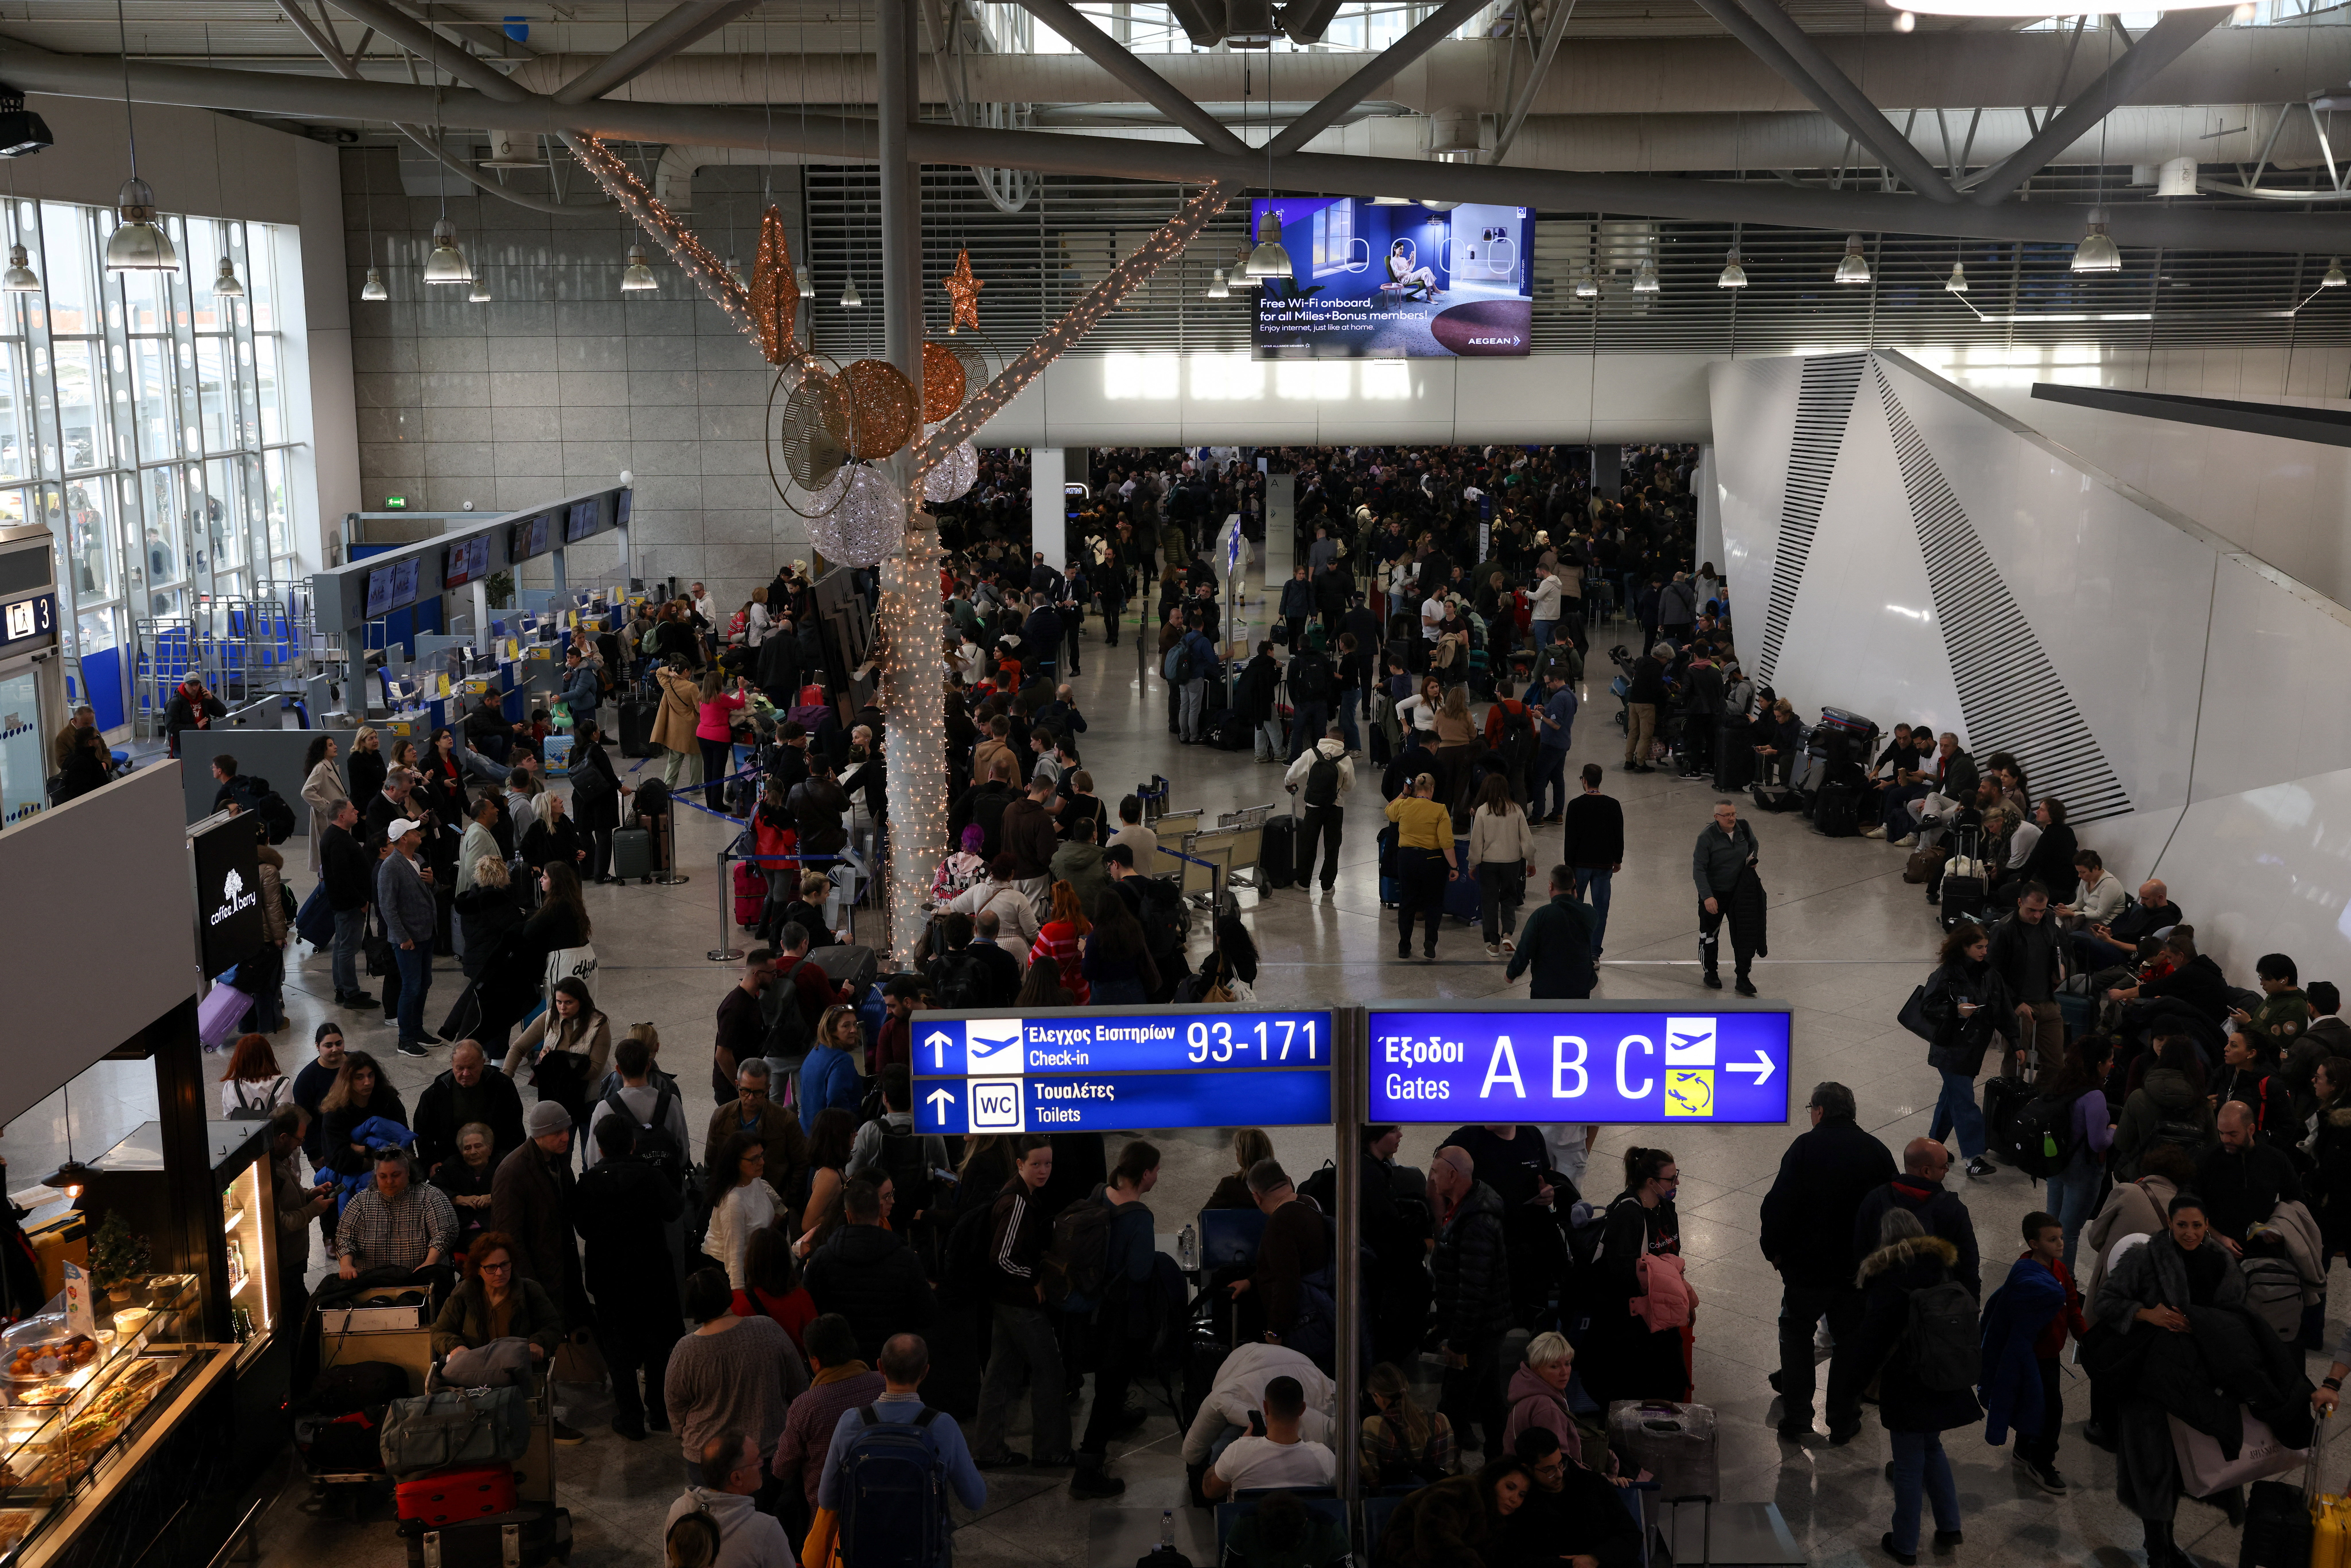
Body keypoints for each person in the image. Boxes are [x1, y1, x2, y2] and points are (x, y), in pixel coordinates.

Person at [1758, 1082, 1896, 1443]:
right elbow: (1892, 1214)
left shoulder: (1805, 1146)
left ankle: (1798, 1417)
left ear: (1819, 1111)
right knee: (1849, 1343)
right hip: (1857, 1271)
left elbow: (1778, 1205)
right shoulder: (1877, 1151)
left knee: (1796, 1334)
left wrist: (1773, 1249)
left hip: (1807, 1269)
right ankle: (1843, 1419)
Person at [1847, 1210, 1980, 1566]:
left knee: (1907, 1464)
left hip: (1907, 1381)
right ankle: (1950, 1525)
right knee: (1932, 1446)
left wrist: (1854, 1383)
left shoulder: (1888, 1279)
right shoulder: (1941, 1267)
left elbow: (1873, 1340)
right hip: (1941, 1372)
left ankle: (1904, 1543)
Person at [815, 1334, 987, 1559]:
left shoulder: (852, 1422)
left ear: (880, 1367)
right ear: (925, 1372)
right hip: (923, 1555)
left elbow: (827, 1500)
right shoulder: (942, 1426)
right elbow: (976, 1500)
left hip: (865, 1553)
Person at [577, 1115, 685, 1441]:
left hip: (610, 1279)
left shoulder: (589, 1182)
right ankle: (659, 1411)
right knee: (657, 1345)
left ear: (599, 1147)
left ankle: (631, 1418)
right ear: (634, 1144)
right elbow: (675, 1210)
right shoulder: (651, 1177)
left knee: (619, 1351)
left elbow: (583, 1228)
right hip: (652, 1275)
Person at [1065, 1139, 1161, 1499]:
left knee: (1109, 1382)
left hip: (1088, 1309)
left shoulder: (1097, 1192)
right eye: (1156, 1171)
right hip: (1116, 1319)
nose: (1157, 1178)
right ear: (1145, 1173)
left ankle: (1117, 1411)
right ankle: (1088, 1470)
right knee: (1109, 1385)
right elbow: (1139, 1272)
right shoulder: (1139, 1217)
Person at [972, 1136, 1070, 1467]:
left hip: (1003, 1300)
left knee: (999, 1374)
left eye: (1048, 1164)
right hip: (1018, 1302)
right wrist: (1033, 1280)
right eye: (1036, 1164)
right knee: (1050, 1371)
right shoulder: (1017, 1203)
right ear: (1020, 1164)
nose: (1044, 1171)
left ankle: (988, 1449)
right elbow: (1001, 1258)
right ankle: (1051, 1451)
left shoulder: (1018, 1193)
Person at [665, 1268, 805, 1487]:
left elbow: (675, 1406)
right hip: (766, 1452)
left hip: (706, 1459)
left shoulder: (686, 1350)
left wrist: (684, 1434)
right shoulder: (767, 1329)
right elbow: (799, 1387)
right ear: (728, 1293)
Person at [1979, 1211, 2086, 1498]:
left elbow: (2073, 1306)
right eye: (2052, 1239)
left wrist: (2083, 1337)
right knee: (2051, 1411)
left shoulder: (2060, 1270)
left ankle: (2024, 1450)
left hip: (2050, 1354)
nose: (2061, 1244)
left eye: (2061, 1237)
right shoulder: (2024, 1273)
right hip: (2031, 1357)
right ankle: (2041, 1464)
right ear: (2033, 1243)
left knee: (2034, 1403)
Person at [1580, 1147, 1687, 1405]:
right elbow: (1620, 1273)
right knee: (1638, 1393)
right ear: (1651, 1182)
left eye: (1677, 1176)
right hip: (1631, 1322)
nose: (1677, 1183)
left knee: (1673, 1385)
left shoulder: (1666, 1208)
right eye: (1671, 1179)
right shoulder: (1628, 1215)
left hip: (1660, 1310)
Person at [1919, 920, 2017, 1179]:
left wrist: (2016, 1042)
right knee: (1964, 1100)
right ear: (1964, 947)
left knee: (1950, 1098)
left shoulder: (1990, 975)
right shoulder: (1945, 975)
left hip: (1973, 1050)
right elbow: (1927, 1006)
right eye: (1979, 947)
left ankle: (1934, 1147)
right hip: (1949, 1049)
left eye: (1986, 946)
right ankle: (1973, 1157)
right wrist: (1955, 1010)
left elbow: (2005, 1011)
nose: (1984, 951)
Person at [1428, 1146, 1510, 1454]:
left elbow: (1473, 1289)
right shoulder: (1465, 1208)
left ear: (1452, 1174)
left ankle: (1444, 1467)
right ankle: (1496, 1458)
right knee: (1489, 1397)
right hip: (1481, 1325)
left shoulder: (1476, 1221)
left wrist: (1458, 1343)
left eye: (1435, 1171)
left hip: (1477, 1330)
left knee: (1451, 1402)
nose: (1432, 1177)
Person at [805, 1176, 938, 1362]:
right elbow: (927, 1315)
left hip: (840, 1362)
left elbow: (811, 1316)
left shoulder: (821, 1259)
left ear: (848, 1215)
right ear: (879, 1212)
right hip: (893, 1362)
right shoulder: (905, 1259)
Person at [492, 1101, 588, 1361]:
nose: (566, 1137)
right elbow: (508, 1238)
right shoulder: (513, 1172)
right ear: (539, 1134)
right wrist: (530, 1286)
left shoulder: (557, 1162)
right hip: (537, 1274)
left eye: (567, 1130)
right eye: (557, 1133)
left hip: (560, 1268)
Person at [773, 1313, 885, 1521]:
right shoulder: (884, 1384)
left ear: (815, 1362)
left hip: (830, 1516)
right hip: (884, 1500)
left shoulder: (807, 1405)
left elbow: (782, 1468)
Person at [1853, 1139, 1981, 1299]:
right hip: (1933, 1306)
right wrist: (1971, 1306)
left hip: (1882, 1297)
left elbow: (1860, 1249)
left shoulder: (1875, 1199)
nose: (1947, 1170)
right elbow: (1968, 1266)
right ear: (1926, 1171)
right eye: (1944, 1166)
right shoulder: (1952, 1209)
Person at [1229, 1159, 1332, 1354]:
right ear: (1287, 1180)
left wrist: (1275, 1332)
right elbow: (1299, 1260)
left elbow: (1286, 1282)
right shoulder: (1310, 1203)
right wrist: (1252, 1281)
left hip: (1303, 1323)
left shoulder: (1280, 1223)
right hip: (1324, 1311)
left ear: (1257, 1197)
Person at [1508, 1429, 1643, 1568]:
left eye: (1560, 1464)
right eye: (1549, 1470)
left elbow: (1632, 1536)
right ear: (1528, 1469)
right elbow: (1519, 1558)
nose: (1559, 1474)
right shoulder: (1524, 1504)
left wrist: (1595, 1559)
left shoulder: (1593, 1484)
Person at [2039, 1036, 2117, 1269]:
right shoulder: (2094, 1097)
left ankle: (2045, 1272)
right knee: (2069, 1234)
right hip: (2082, 1171)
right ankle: (2065, 1282)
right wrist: (2113, 1130)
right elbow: (2098, 1143)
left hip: (2057, 1163)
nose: (2112, 1065)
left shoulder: (2061, 1083)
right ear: (2098, 1065)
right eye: (2110, 1061)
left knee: (2052, 1225)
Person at [428, 1229, 564, 1361]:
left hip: (521, 1369)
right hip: (476, 1371)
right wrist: (456, 1347)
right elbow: (440, 1331)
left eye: (505, 1265)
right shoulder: (465, 1292)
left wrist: (538, 1343)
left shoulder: (529, 1290)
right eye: (491, 1267)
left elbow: (553, 1326)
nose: (500, 1273)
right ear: (478, 1270)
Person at [666, 1431, 794, 1568]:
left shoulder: (678, 1508)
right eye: (757, 1461)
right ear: (737, 1478)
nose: (762, 1465)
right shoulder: (766, 1530)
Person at [1202, 1375, 1338, 1498]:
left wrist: (1243, 1444)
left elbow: (1209, 1491)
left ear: (1265, 1407)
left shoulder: (1237, 1453)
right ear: (1303, 1409)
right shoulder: (1325, 1459)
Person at [2197, 1099, 2304, 1250]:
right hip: (2216, 1246)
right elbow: (2191, 1206)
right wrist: (2218, 1238)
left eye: (2233, 1134)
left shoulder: (2275, 1160)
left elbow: (2296, 1201)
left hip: (2263, 1246)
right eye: (2221, 1133)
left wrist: (2281, 1228)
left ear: (2251, 1130)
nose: (2226, 1140)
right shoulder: (2207, 1160)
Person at [335, 1149, 457, 1278]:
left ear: (409, 1172)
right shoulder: (360, 1201)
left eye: (396, 1175)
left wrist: (430, 1263)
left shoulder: (431, 1196)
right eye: (383, 1176)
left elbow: (445, 1233)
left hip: (422, 1278)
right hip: (371, 1281)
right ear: (376, 1175)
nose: (389, 1181)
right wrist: (346, 1265)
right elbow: (345, 1238)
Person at [412, 1040, 527, 1175]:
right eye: (460, 1068)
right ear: (452, 1065)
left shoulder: (502, 1085)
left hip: (496, 1157)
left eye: (472, 1068)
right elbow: (423, 1133)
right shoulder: (435, 1093)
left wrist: (513, 1161)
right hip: (453, 1159)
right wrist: (431, 1163)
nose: (466, 1074)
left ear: (483, 1063)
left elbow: (515, 1128)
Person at [375, 815, 439, 1057]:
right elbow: (387, 907)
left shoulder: (419, 859)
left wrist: (432, 882)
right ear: (404, 839)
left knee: (424, 985)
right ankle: (405, 1039)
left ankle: (417, 1030)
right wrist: (403, 937)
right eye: (414, 831)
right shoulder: (390, 867)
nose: (418, 833)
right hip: (408, 940)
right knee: (411, 987)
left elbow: (428, 891)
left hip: (426, 933)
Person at [704, 1059, 808, 1205]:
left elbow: (801, 1165)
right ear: (737, 1085)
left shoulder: (785, 1121)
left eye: (758, 1093)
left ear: (768, 1090)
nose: (751, 1098)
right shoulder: (721, 1117)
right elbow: (711, 1165)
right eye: (745, 1091)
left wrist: (784, 1206)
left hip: (772, 1201)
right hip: (731, 1199)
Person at [1692, 799, 1764, 995]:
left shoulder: (1744, 828)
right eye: (1728, 815)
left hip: (1740, 894)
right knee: (1709, 935)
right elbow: (1699, 869)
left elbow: (1754, 843)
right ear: (1717, 818)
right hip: (1715, 894)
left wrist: (1752, 857)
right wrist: (1707, 897)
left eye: (1734, 814)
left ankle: (1743, 977)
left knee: (1744, 935)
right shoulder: (1707, 837)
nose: (1732, 818)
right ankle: (1711, 972)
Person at [1385, 773, 1459, 964]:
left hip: (1407, 859)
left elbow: (1389, 811)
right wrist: (1454, 866)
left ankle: (1404, 946)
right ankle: (1430, 943)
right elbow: (1446, 842)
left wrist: (1404, 793)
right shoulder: (1440, 810)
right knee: (1434, 902)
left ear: (1415, 789)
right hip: (1433, 860)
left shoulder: (1403, 805)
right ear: (1432, 789)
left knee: (1408, 902)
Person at [1466, 775, 1537, 961]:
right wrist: (1531, 861)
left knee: (1489, 902)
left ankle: (1494, 944)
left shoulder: (1483, 811)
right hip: (1512, 862)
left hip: (1488, 863)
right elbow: (1527, 840)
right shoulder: (1517, 810)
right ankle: (1507, 934)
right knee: (1509, 898)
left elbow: (1476, 843)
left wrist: (1472, 864)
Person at [703, 1131, 784, 1289]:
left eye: (761, 1156)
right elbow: (734, 1257)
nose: (762, 1162)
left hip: (752, 1263)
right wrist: (739, 1294)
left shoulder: (753, 1180)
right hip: (726, 1273)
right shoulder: (733, 1203)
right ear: (736, 1163)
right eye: (754, 1159)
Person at [1502, 865, 1597, 1000]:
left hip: (1546, 988)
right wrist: (1573, 898)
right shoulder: (1590, 913)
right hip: (1580, 986)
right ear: (1574, 885)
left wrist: (1512, 974)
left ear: (1551, 886)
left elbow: (1525, 948)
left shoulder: (1541, 915)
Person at [1361, 1361, 1457, 1490]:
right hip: (1435, 1499)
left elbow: (1372, 1478)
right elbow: (1450, 1468)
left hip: (1394, 1502)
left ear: (1378, 1397)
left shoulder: (1373, 1425)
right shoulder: (1441, 1420)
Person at [1559, 765, 1621, 957]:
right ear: (1600, 781)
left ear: (1584, 780)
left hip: (1580, 866)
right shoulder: (1613, 805)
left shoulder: (1576, 805)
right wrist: (1617, 859)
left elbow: (1571, 839)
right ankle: (1594, 954)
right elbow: (1618, 835)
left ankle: (1576, 950)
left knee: (1575, 909)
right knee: (1600, 911)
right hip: (1603, 866)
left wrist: (1569, 866)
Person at [1284, 727, 1353, 897]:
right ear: (1342, 742)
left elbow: (1292, 773)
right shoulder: (1346, 759)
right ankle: (1327, 886)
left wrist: (1288, 783)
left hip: (1314, 807)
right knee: (1332, 846)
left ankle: (1304, 882)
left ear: (1326, 737)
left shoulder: (1311, 753)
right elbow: (1350, 786)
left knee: (1309, 843)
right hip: (1335, 807)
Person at [1497, 1332, 1583, 1464]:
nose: (1565, 1372)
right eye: (1554, 1366)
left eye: (1567, 1364)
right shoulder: (1546, 1407)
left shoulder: (1523, 1391)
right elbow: (1561, 1464)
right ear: (1537, 1368)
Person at [319, 1049, 408, 1177]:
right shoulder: (335, 1111)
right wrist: (375, 1156)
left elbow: (403, 1138)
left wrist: (360, 1149)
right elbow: (338, 1158)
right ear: (348, 1081)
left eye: (371, 1076)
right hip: (351, 1174)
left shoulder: (388, 1100)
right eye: (359, 1078)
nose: (367, 1082)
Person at [431, 1121, 500, 1251]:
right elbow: (434, 1189)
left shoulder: (503, 1164)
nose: (473, 1152)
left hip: (496, 1229)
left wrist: (494, 1197)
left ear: (490, 1149)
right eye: (467, 1148)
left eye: (478, 1146)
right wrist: (458, 1199)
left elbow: (518, 1189)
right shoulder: (452, 1165)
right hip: (464, 1233)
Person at [798, 1004, 866, 1134]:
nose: (854, 1030)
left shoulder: (815, 1052)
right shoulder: (842, 1060)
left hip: (808, 1133)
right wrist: (849, 1132)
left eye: (855, 1024)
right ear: (831, 1030)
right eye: (846, 1026)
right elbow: (836, 1099)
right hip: (830, 1138)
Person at [1528, 672, 1577, 822]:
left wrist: (1541, 717)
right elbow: (1562, 716)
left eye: (1549, 683)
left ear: (1556, 680)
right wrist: (1546, 711)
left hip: (1552, 745)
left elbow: (1556, 725)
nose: (1548, 686)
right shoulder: (1571, 695)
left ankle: (1537, 816)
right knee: (1557, 779)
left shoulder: (1559, 697)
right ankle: (1557, 814)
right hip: (1563, 743)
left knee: (1540, 778)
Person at [219, 1032, 293, 1119]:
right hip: (273, 1132)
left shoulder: (231, 1086)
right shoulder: (283, 1084)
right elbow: (286, 1118)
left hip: (242, 1132)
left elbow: (229, 1118)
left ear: (239, 1059)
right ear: (268, 1056)